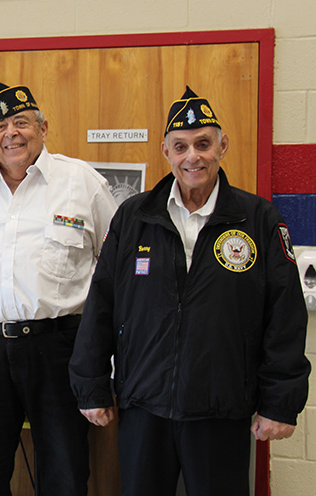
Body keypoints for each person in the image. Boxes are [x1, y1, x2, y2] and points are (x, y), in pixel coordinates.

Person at [69, 87, 311, 496]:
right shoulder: (134, 216)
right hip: (143, 404)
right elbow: (102, 303)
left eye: (203, 144)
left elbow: (284, 316)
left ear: (222, 146)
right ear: (166, 151)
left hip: (221, 407)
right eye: (181, 146)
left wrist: (280, 402)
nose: (192, 156)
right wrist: (90, 384)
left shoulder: (258, 219)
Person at [0, 81, 118, 496]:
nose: (10, 133)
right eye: (0, 124)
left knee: (65, 472)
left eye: (21, 122)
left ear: (43, 128)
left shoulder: (81, 182)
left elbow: (114, 262)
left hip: (58, 349)